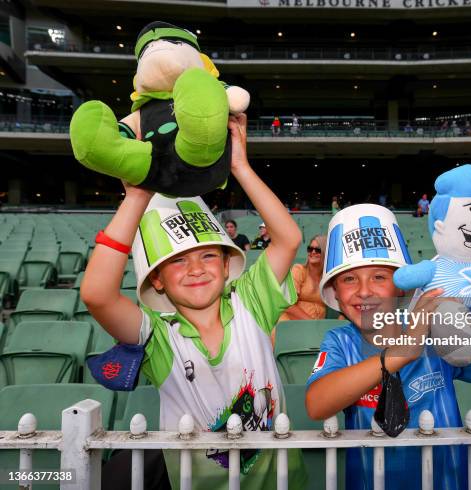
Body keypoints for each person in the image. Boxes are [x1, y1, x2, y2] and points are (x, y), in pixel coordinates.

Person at [80, 113, 306, 490]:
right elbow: (97, 295)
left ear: (225, 261)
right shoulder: (158, 337)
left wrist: (240, 167)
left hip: (284, 482)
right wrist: (137, 195)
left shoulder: (251, 302)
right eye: (178, 261)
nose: (196, 269)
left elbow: (288, 239)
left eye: (207, 256)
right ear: (157, 279)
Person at [305, 204, 471, 490]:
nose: (364, 291)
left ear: (402, 287)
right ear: (336, 294)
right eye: (349, 279)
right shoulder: (340, 341)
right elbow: (317, 404)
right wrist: (402, 350)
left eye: (380, 277)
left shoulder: (437, 332)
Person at [278, 235, 327, 323]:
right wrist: (312, 323)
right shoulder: (299, 270)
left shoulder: (328, 278)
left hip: (316, 327)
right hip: (290, 323)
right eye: (310, 249)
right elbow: (287, 304)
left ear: (325, 253)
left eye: (318, 250)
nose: (313, 252)